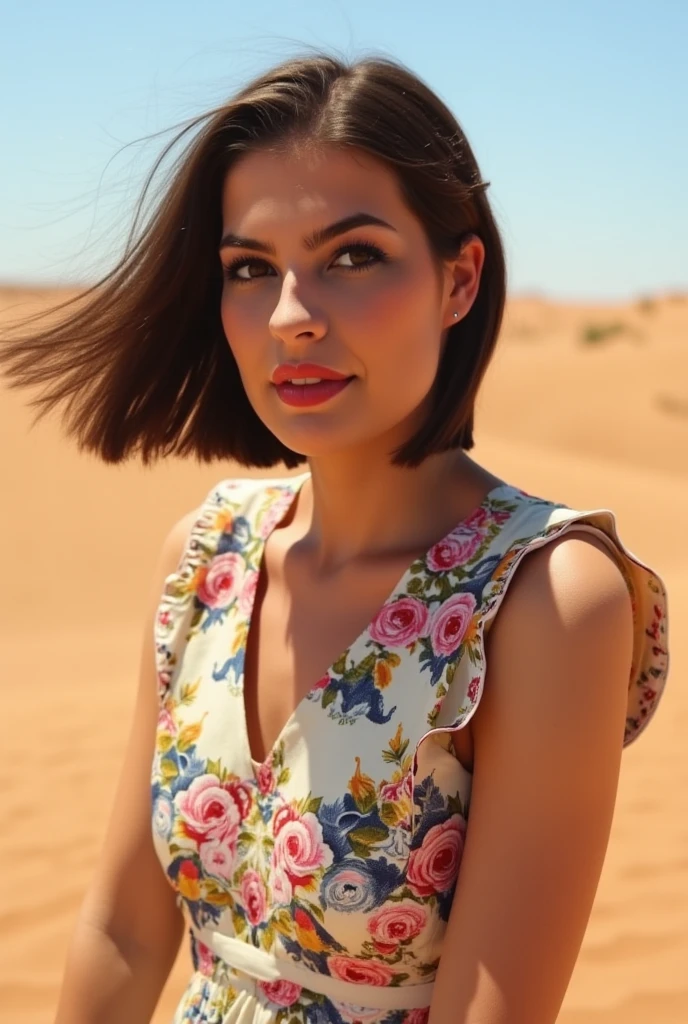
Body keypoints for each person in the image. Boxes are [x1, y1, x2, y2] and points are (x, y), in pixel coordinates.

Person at [0, 52, 669, 1024]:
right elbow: (125, 931)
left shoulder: (544, 597)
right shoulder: (205, 555)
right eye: (249, 269)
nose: (291, 318)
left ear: (459, 278)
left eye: (352, 256)